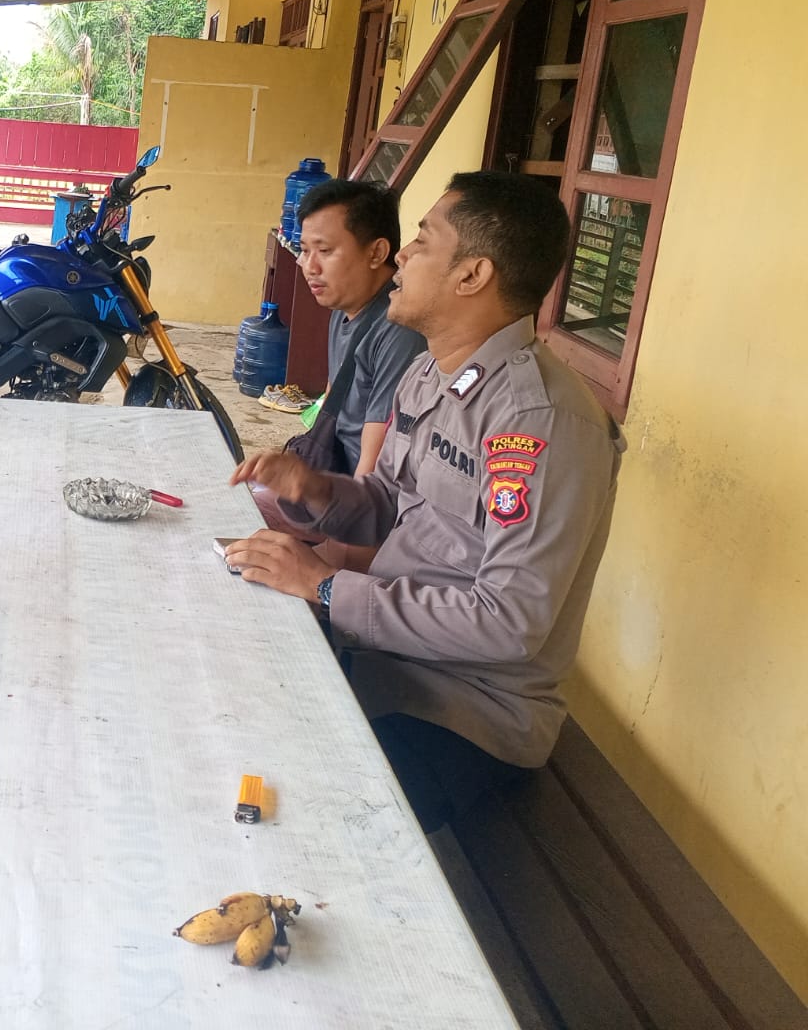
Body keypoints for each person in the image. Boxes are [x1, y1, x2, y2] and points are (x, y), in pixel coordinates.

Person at [227, 172, 625, 831]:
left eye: (422, 238)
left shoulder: (539, 421)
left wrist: (325, 587)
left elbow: (509, 622)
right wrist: (315, 490)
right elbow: (390, 503)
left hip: (466, 713)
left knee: (297, 816)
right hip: (385, 664)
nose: (404, 254)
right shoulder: (432, 373)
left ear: (472, 274)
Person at [283, 179, 426, 476]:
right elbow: (332, 398)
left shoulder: (399, 329)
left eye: (324, 250)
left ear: (376, 253)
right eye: (305, 250)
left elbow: (371, 468)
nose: (309, 267)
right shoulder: (344, 306)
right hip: (333, 470)